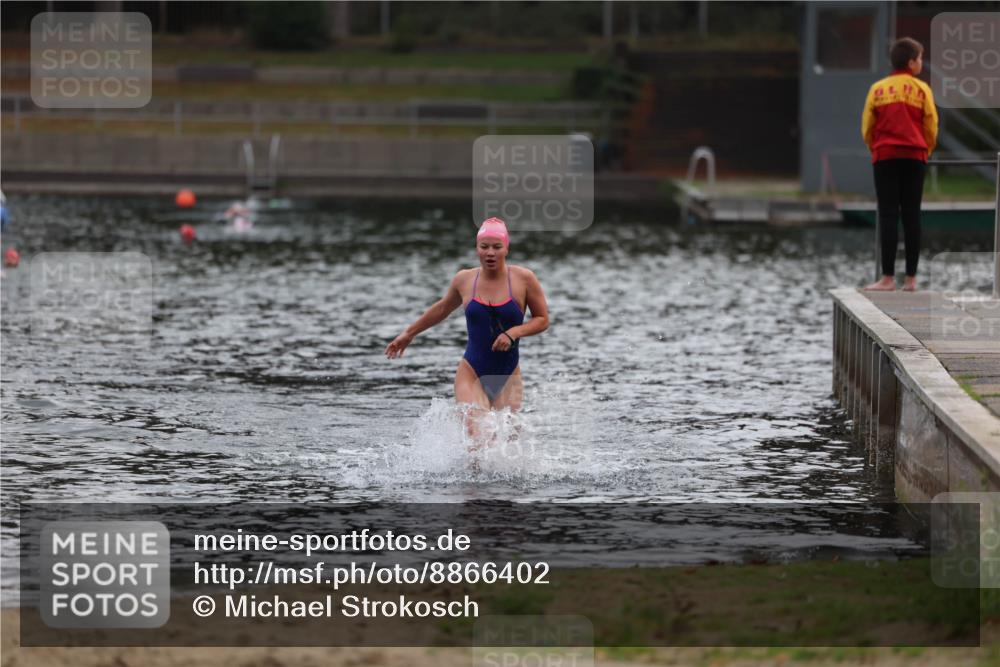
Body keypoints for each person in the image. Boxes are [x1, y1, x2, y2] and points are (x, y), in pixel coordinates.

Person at [384, 217, 550, 441]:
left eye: (496, 247)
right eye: (484, 247)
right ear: (477, 248)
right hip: (472, 371)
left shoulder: (524, 279)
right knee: (477, 435)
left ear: (506, 248)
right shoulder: (464, 280)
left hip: (508, 374)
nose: (490, 252)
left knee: (507, 440)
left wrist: (513, 333)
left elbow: (542, 319)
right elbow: (442, 308)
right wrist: (408, 334)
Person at [861, 37, 938, 292]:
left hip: (885, 156)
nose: (922, 63)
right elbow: (931, 125)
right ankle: (912, 279)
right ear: (911, 62)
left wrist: (876, 146)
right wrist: (925, 148)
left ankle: (887, 278)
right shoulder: (922, 89)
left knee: (888, 214)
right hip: (915, 156)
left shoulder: (878, 89)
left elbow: (867, 127)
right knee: (912, 214)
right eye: (920, 58)